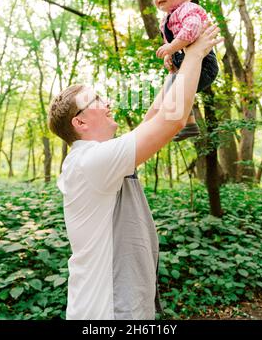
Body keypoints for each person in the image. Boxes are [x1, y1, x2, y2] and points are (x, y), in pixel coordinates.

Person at [48, 25, 222, 320]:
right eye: (97, 100)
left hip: (120, 302)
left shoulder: (96, 159)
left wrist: (176, 71)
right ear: (80, 123)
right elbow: (173, 119)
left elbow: (152, 121)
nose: (108, 103)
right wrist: (195, 53)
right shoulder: (90, 162)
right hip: (107, 311)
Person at [154, 0, 219, 141]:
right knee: (169, 91)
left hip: (204, 64)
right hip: (185, 61)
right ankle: (189, 125)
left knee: (175, 91)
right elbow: (170, 41)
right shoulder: (165, 20)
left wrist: (171, 47)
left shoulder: (188, 9)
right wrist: (169, 55)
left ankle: (182, 124)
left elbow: (191, 30)